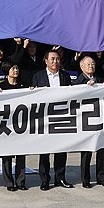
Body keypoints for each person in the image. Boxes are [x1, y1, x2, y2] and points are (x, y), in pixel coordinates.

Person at [33, 49, 74, 190]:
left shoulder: (65, 76)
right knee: (44, 151)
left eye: (57, 59)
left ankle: (60, 178)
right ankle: (44, 179)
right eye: (52, 59)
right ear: (46, 61)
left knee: (61, 150)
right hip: (44, 119)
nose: (55, 61)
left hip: (61, 118)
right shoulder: (38, 76)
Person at [72, 55, 104, 188]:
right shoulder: (78, 81)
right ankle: (85, 179)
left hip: (99, 118)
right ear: (81, 67)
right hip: (85, 120)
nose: (91, 66)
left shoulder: (99, 79)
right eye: (88, 64)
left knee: (101, 148)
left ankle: (101, 177)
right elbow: (74, 94)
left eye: (93, 64)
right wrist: (85, 87)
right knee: (86, 151)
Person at [0, 62, 31, 190]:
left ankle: (20, 181)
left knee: (21, 154)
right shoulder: (1, 87)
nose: (15, 70)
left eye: (17, 68)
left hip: (21, 125)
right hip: (6, 125)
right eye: (12, 68)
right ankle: (9, 182)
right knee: (7, 155)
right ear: (7, 71)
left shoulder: (24, 85)